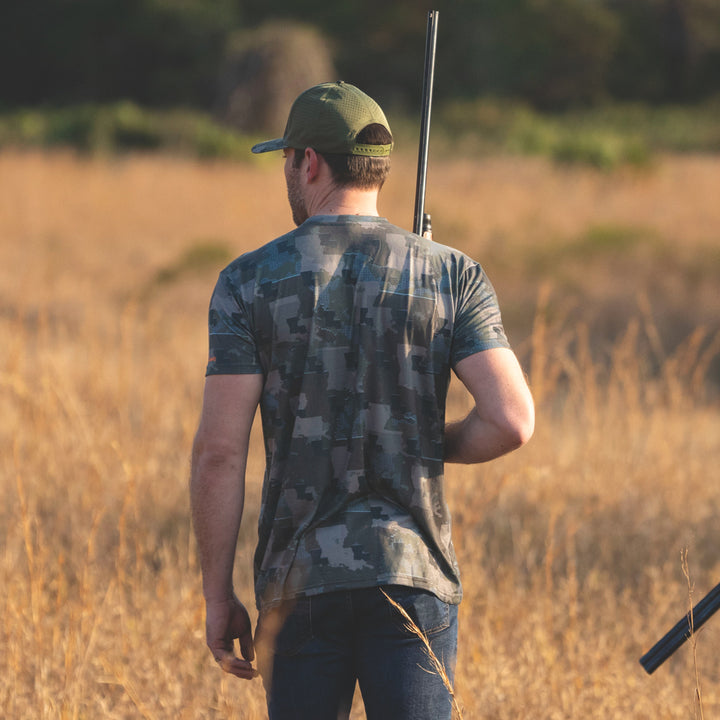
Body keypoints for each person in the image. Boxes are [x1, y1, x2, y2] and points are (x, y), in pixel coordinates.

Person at [190, 81, 534, 720]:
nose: (287, 174)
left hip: (298, 583)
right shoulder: (451, 273)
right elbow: (512, 422)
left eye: (287, 159)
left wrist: (218, 596)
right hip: (412, 575)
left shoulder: (245, 283)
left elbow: (218, 454)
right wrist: (428, 440)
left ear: (309, 162)